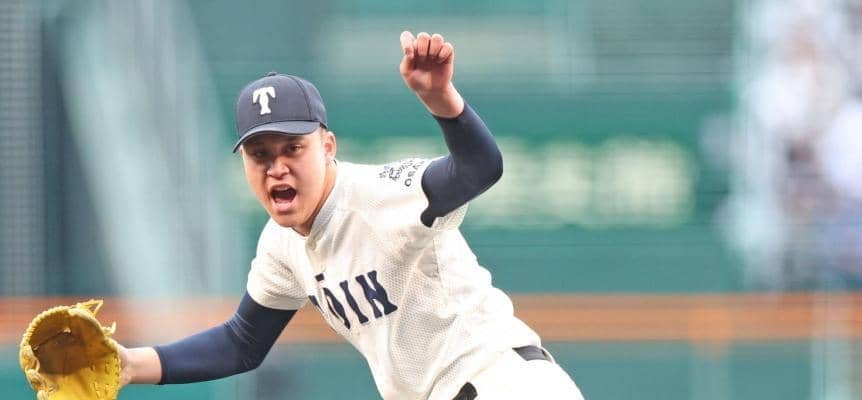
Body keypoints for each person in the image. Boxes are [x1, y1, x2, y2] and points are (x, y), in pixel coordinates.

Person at [117, 31, 584, 400]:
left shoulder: (381, 195)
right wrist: (130, 365)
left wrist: (442, 99)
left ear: (327, 146)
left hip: (504, 383)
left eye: (292, 148)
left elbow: (479, 169)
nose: (276, 167)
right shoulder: (281, 245)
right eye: (259, 154)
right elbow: (241, 343)